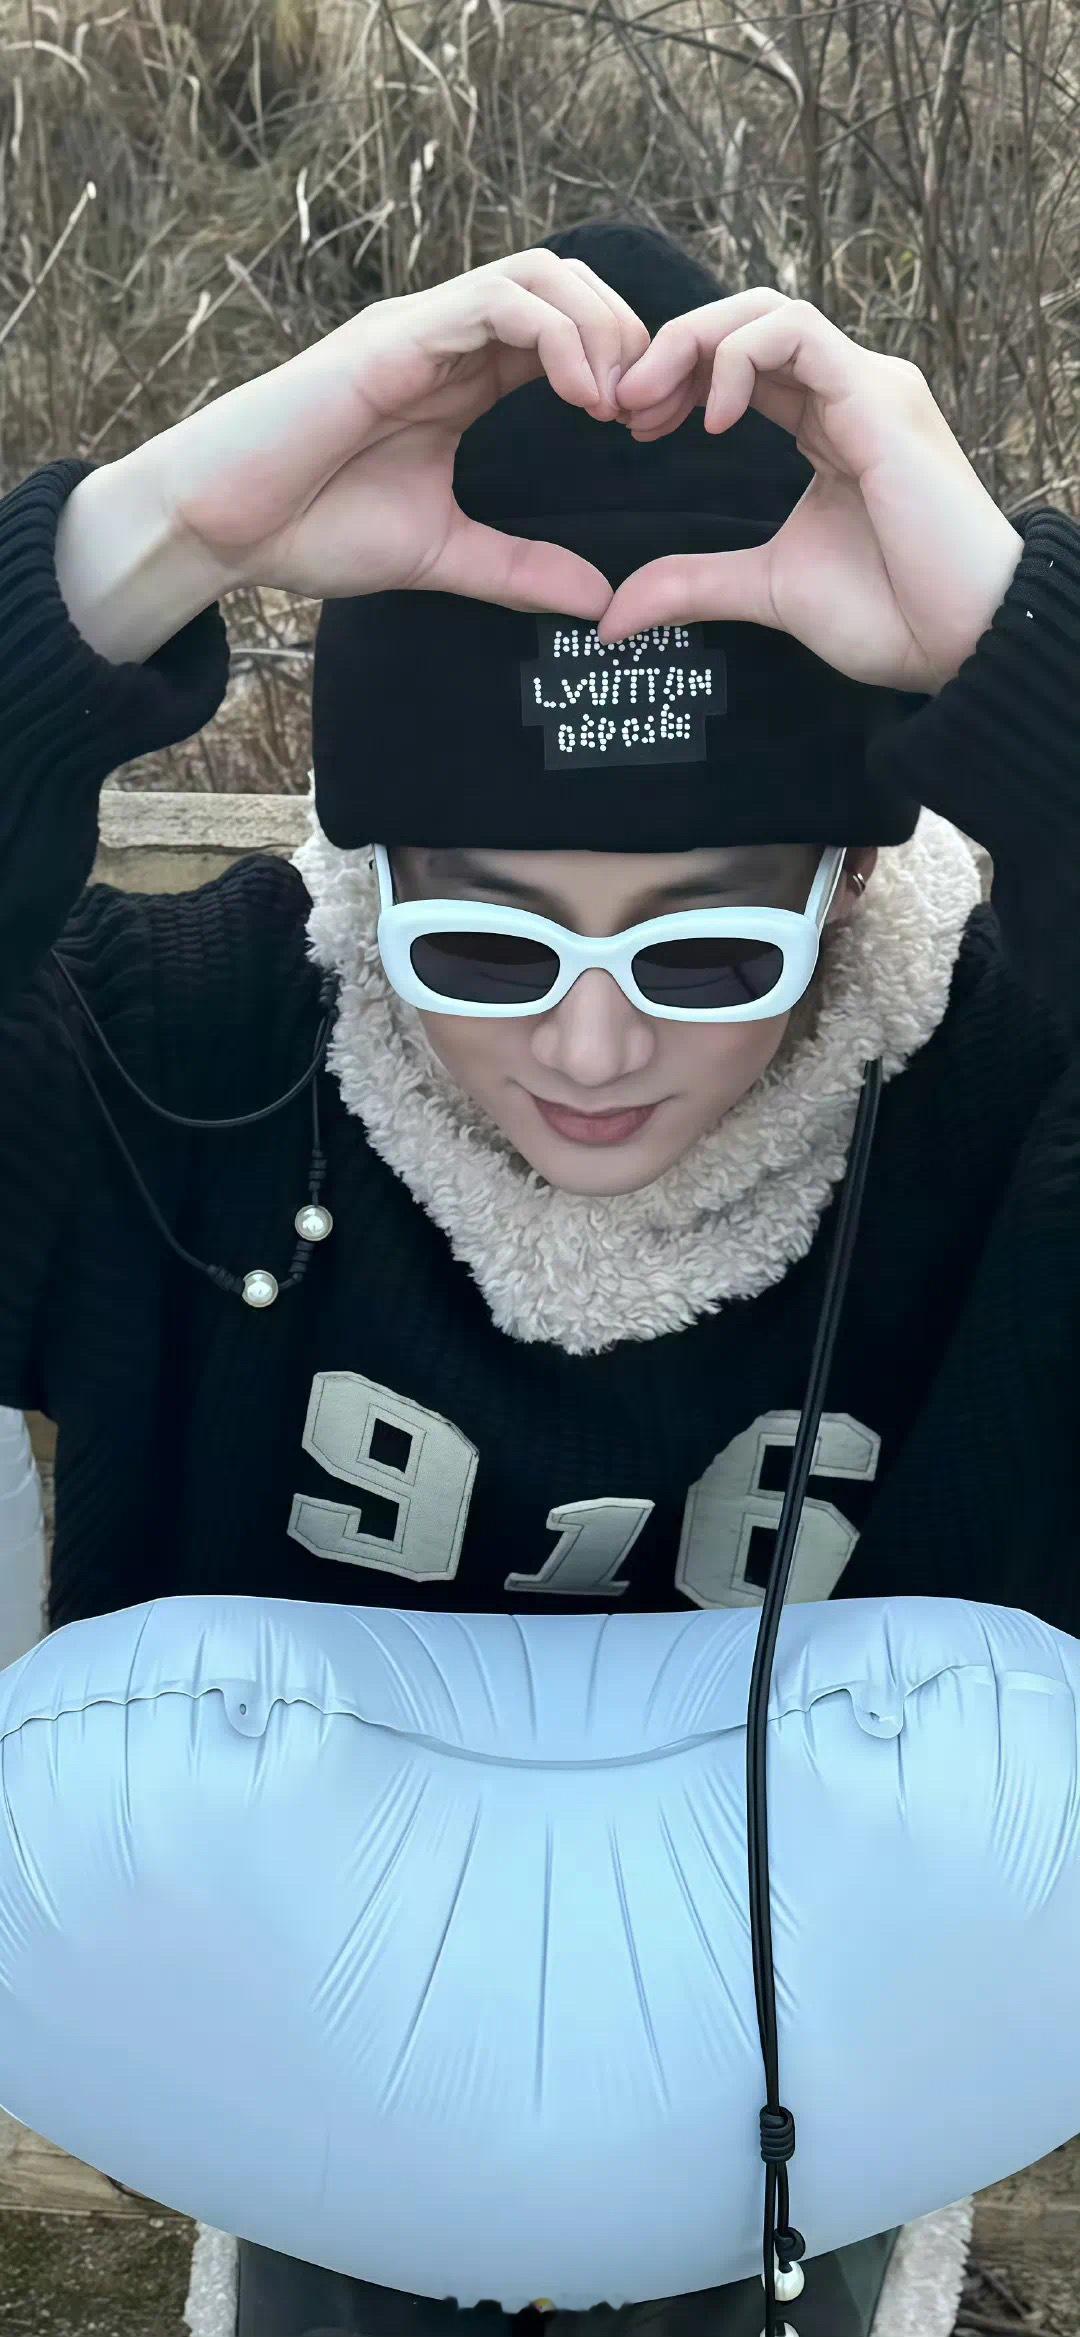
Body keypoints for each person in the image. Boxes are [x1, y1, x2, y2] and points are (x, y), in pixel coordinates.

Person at [0, 217, 1076, 2337]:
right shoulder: (189, 1062)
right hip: (312, 2124)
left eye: (709, 947)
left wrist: (1024, 647)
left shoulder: (997, 1101)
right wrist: (134, 545)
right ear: (370, 875)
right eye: (483, 940)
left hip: (811, 2131)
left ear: (850, 886)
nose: (591, 1049)